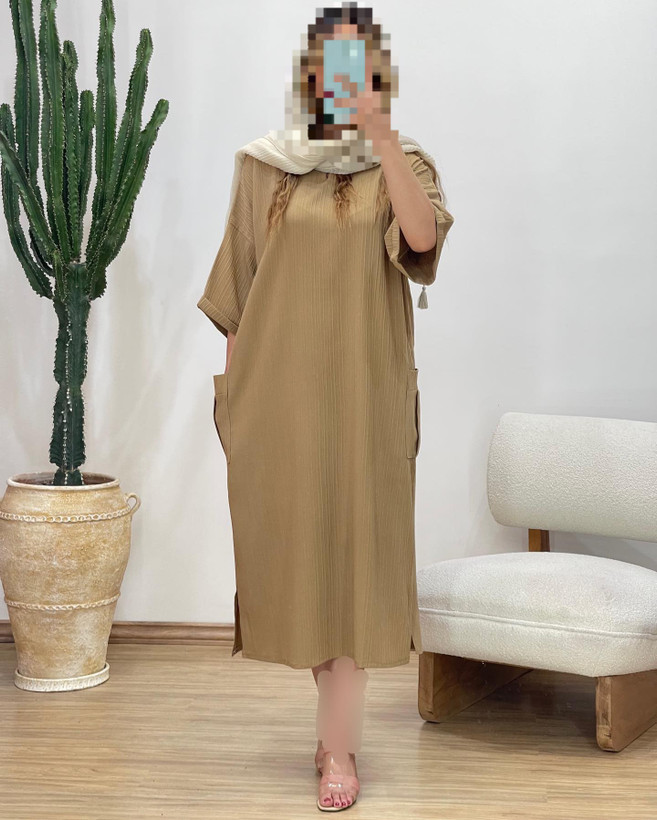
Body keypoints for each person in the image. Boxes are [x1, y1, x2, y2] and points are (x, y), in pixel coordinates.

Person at [197, 2, 454, 811]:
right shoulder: (262, 166)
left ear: (378, 76)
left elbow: (421, 241)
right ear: (310, 75)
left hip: (366, 402)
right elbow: (238, 294)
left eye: (359, 65)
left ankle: (337, 746)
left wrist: (381, 138)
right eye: (330, 64)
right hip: (277, 402)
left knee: (358, 570)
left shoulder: (402, 162)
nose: (343, 78)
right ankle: (332, 725)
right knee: (301, 568)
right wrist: (234, 407)